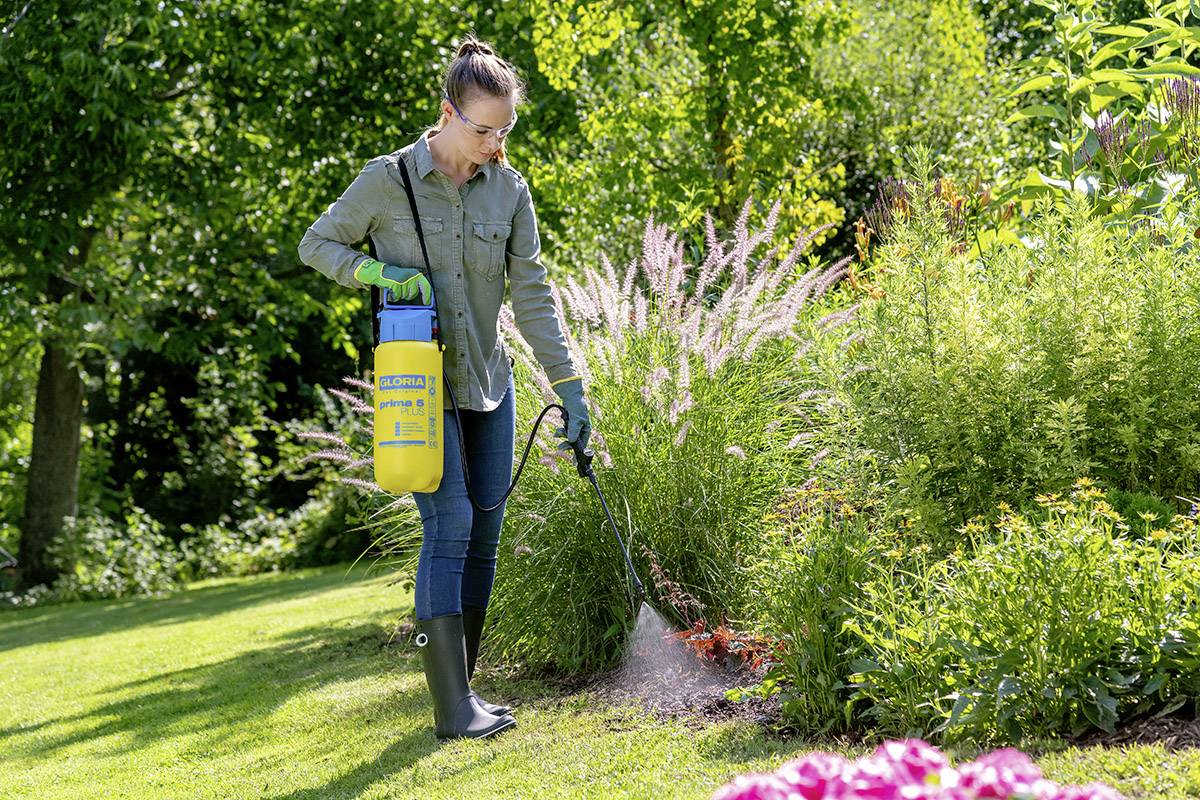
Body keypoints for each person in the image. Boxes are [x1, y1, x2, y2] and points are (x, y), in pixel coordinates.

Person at [297, 34, 592, 741]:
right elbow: (317, 244)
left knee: (485, 532)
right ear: (448, 113)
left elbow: (534, 298)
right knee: (450, 523)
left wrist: (572, 388)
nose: (495, 143)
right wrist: (380, 274)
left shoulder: (511, 191)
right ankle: (453, 712)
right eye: (483, 128)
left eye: (505, 130)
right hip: (419, 387)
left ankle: (463, 691)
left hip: (489, 380)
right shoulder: (389, 179)